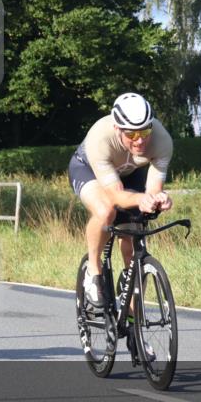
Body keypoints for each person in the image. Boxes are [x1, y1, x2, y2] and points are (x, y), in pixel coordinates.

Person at [69, 93, 174, 317]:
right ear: (118, 128)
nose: (139, 140)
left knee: (135, 232)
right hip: (88, 171)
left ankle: (133, 317)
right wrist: (140, 199)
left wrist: (158, 199)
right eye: (131, 134)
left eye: (145, 131)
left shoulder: (162, 140)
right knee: (106, 211)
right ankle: (94, 270)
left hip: (129, 174)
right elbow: (115, 196)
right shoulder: (100, 137)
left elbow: (154, 188)